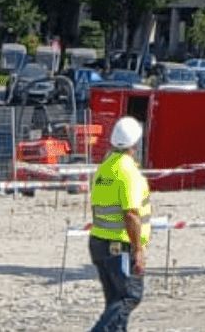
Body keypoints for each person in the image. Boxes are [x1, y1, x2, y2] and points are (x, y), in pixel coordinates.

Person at [87, 115, 151, 332]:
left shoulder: (104, 168)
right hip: (119, 246)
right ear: (135, 143)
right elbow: (131, 214)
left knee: (114, 303)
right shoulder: (128, 171)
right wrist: (138, 249)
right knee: (129, 296)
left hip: (99, 243)